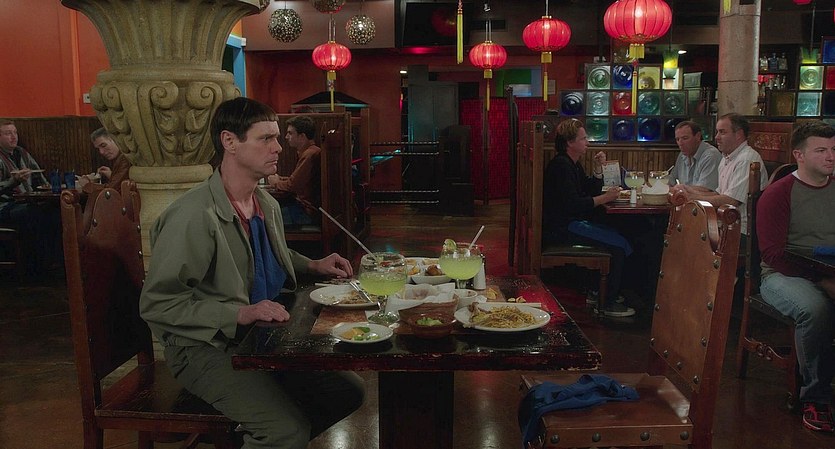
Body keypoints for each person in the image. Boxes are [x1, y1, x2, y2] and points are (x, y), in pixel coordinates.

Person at [139, 97, 364, 449]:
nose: (278, 147)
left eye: (277, 137)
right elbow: (158, 304)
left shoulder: (266, 203)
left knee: (347, 390)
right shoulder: (193, 216)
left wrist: (313, 264)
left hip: (260, 339)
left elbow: (265, 256)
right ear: (229, 141)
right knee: (285, 430)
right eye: (266, 138)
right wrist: (239, 313)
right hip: (204, 347)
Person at [757, 120, 835, 433]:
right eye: (821, 150)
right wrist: (822, 281)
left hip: (829, 269)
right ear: (799, 155)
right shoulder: (778, 194)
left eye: (834, 149)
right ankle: (815, 397)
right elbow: (773, 255)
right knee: (815, 309)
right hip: (782, 274)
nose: (831, 156)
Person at [542, 118, 635, 318]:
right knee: (619, 245)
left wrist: (598, 169)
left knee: (617, 233)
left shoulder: (571, 163)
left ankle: (598, 291)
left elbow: (587, 189)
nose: (588, 142)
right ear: (570, 142)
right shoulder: (561, 166)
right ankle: (608, 302)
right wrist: (605, 198)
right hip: (562, 227)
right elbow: (573, 204)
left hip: (570, 222)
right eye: (583, 138)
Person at [672, 113, 768, 239]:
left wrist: (691, 197)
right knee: (678, 231)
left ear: (738, 134)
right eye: (717, 132)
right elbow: (718, 194)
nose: (716, 137)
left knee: (684, 236)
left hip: (739, 231)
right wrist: (687, 189)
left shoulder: (746, 159)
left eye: (722, 132)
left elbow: (731, 201)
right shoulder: (726, 158)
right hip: (724, 224)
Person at [0, 119, 60, 273]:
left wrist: (50, 188)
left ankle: (55, 261)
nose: (13, 137)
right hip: (5, 207)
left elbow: (39, 176)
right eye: (8, 133)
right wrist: (14, 181)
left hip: (26, 202)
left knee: (55, 210)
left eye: (15, 132)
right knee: (33, 213)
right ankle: (35, 266)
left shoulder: (22, 153)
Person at [267, 115, 321, 226]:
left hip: (306, 212)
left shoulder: (309, 154)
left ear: (302, 136)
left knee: (265, 217)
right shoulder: (312, 151)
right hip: (305, 208)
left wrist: (276, 182)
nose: (286, 137)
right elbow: (299, 181)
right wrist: (281, 179)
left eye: (290, 133)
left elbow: (293, 185)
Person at [77, 127, 132, 196]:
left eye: (103, 145)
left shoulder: (125, 158)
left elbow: (110, 192)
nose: (101, 152)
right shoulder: (122, 157)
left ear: (116, 140)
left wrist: (87, 185)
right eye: (98, 148)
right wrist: (112, 176)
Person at [669, 120, 721, 190]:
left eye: (685, 138)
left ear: (698, 136)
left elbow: (705, 190)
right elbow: (670, 180)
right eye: (677, 139)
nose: (680, 143)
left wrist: (678, 189)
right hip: (688, 196)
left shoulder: (711, 156)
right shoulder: (682, 155)